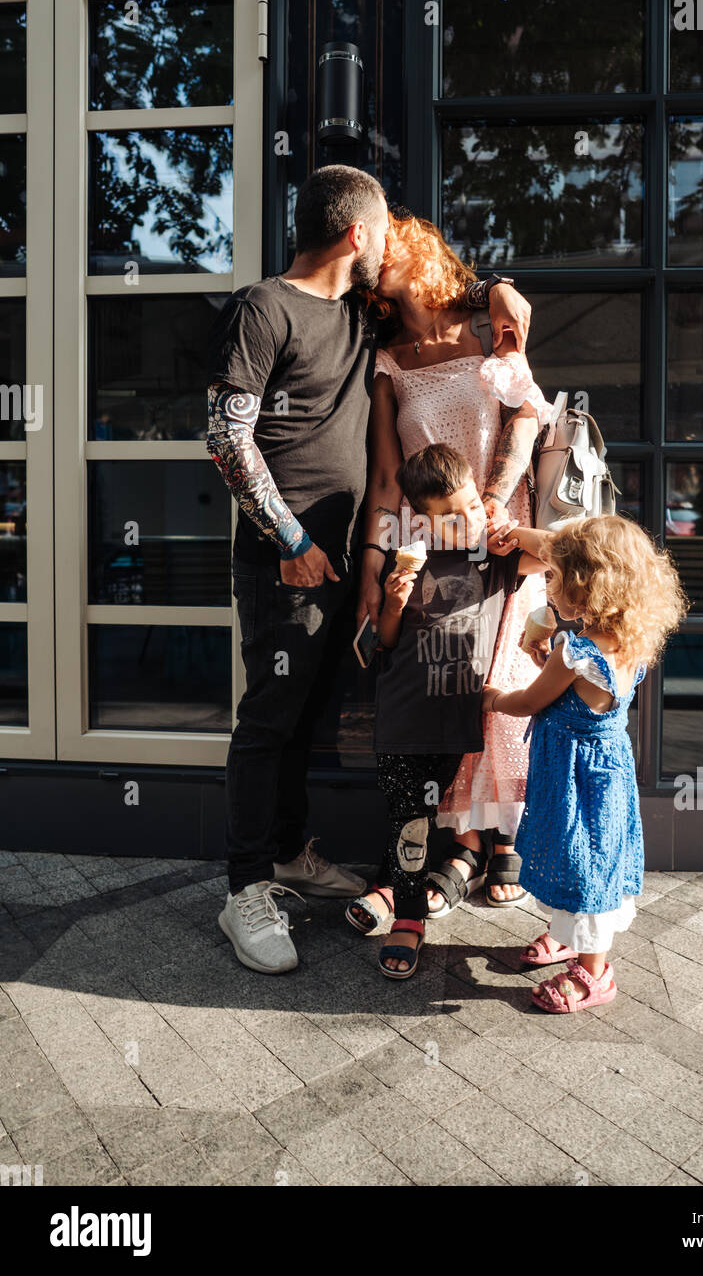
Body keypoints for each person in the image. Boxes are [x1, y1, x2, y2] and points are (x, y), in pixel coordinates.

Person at [205, 164, 533, 973]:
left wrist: (498, 290)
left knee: (310, 716)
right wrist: (291, 542)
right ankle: (244, 886)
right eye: (383, 227)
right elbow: (224, 437)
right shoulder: (263, 307)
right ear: (358, 232)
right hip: (287, 560)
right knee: (269, 721)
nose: (389, 243)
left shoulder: (358, 314)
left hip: (351, 558)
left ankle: (286, 855)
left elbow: (450, 290)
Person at [351, 211, 551, 933]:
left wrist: (496, 498)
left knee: (506, 673)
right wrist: (371, 574)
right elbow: (382, 478)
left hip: (500, 529)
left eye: (390, 242)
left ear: (420, 249)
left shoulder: (482, 325)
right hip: (426, 543)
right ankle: (461, 844)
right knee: (450, 677)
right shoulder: (386, 358)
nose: (378, 255)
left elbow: (526, 415)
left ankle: (503, 842)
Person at [482, 514, 688, 1013]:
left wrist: (490, 698)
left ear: (584, 586)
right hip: (607, 771)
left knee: (582, 861)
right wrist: (545, 661)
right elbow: (574, 692)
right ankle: (571, 935)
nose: (547, 581)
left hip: (573, 773)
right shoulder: (628, 640)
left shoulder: (575, 651)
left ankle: (595, 974)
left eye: (554, 576)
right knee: (593, 855)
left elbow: (531, 702)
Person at [363, 443, 548, 979]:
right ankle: (408, 919)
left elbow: (566, 551)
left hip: (457, 720)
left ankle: (426, 891)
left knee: (430, 817)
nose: (464, 521)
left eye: (469, 506)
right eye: (449, 516)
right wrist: (393, 603)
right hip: (402, 717)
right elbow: (387, 642)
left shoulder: (494, 557)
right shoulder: (407, 558)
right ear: (420, 519)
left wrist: (509, 529)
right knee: (409, 825)